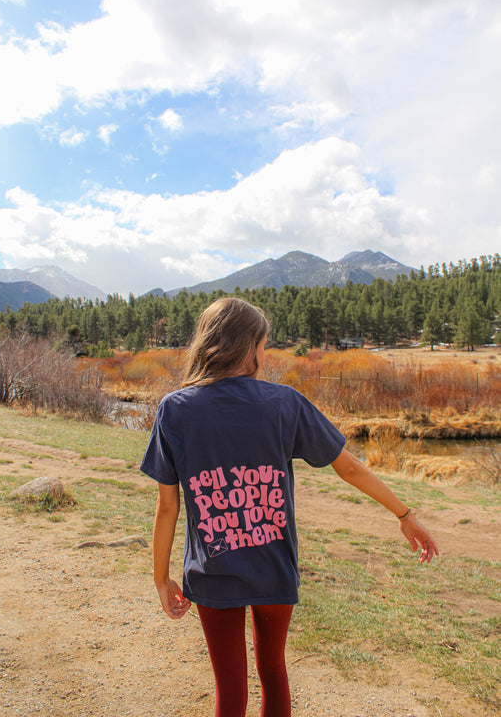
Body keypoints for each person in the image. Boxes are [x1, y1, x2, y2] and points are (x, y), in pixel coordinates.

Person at [140, 298, 438, 717]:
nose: (265, 354)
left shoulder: (176, 408)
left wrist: (160, 578)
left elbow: (166, 505)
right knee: (273, 672)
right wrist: (405, 515)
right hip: (273, 566)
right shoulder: (284, 402)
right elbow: (349, 467)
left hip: (212, 571)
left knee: (229, 690)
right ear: (249, 348)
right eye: (264, 344)